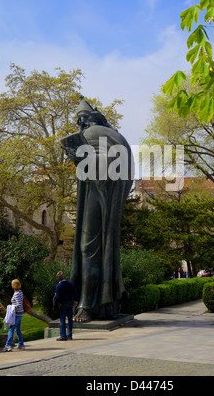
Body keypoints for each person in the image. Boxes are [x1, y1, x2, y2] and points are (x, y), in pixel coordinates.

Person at [61, 96, 133, 322]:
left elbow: (97, 168)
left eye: (82, 119)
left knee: (87, 249)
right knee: (99, 250)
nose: (81, 124)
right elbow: (126, 174)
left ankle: (86, 306)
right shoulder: (118, 138)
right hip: (107, 198)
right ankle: (103, 303)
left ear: (92, 119)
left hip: (97, 194)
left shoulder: (95, 135)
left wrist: (78, 156)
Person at [55, 271, 79, 340]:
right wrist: (76, 301)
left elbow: (57, 297)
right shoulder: (70, 284)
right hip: (70, 303)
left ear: (58, 278)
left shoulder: (58, 286)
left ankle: (63, 336)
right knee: (70, 319)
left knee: (62, 320)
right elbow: (75, 292)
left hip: (63, 304)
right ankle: (70, 335)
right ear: (64, 276)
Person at [3, 279, 25, 352]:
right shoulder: (20, 292)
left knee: (11, 329)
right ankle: (21, 344)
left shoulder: (17, 294)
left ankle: (8, 345)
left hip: (17, 314)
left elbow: (18, 305)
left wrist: (11, 307)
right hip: (20, 314)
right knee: (17, 329)